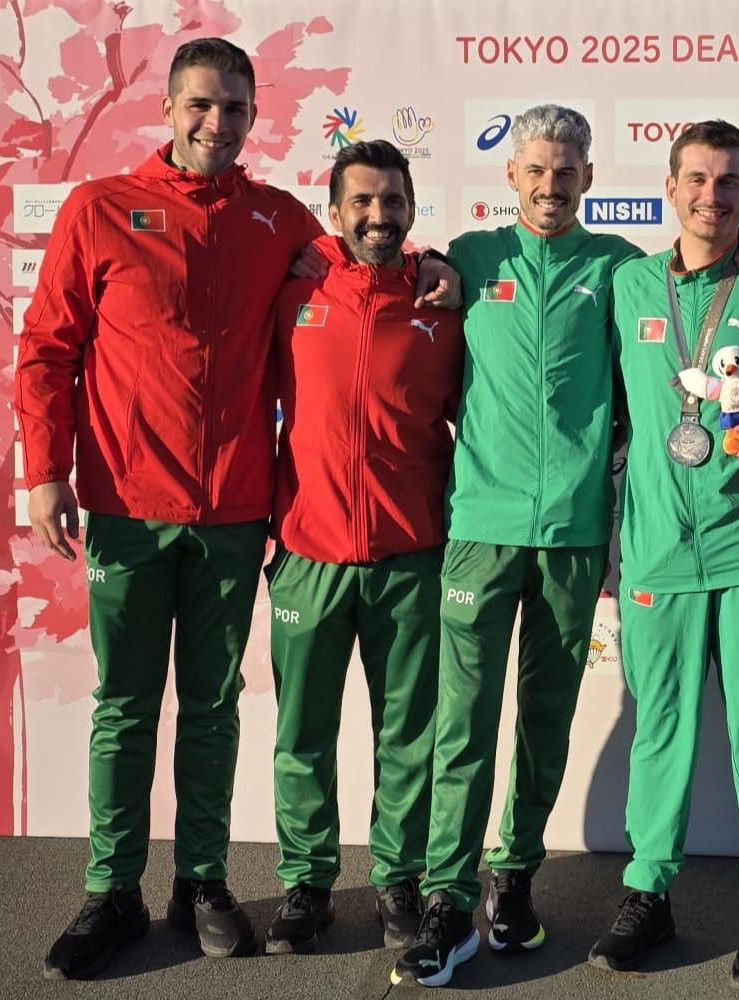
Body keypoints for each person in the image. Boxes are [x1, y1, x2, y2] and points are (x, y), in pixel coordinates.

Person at [16, 38, 454, 980]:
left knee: (213, 707)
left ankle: (201, 882)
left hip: (236, 514)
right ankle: (113, 890)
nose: (218, 123)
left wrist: (438, 265)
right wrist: (46, 470)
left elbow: (364, 254)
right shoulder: (99, 210)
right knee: (126, 708)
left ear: (256, 117)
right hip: (127, 507)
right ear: (169, 110)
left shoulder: (279, 220)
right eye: (201, 106)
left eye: (236, 109)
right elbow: (48, 346)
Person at [385, 105, 739, 989]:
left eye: (567, 172)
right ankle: (447, 892)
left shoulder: (623, 272)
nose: (551, 186)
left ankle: (513, 875)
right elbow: (370, 273)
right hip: (479, 530)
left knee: (547, 716)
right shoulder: (468, 261)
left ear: (589, 178)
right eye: (536, 171)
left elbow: (691, 306)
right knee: (465, 722)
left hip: (576, 534)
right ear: (510, 177)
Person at [587, 120, 739, 991]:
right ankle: (648, 890)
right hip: (653, 545)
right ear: (669, 186)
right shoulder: (624, 282)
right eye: (696, 179)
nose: (710, 196)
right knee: (662, 731)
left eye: (727, 182)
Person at [262, 139, 462, 956]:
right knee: (302, 730)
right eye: (363, 202)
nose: (379, 216)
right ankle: (307, 884)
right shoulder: (291, 290)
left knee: (407, 731)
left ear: (412, 209)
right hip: (307, 550)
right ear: (335, 208)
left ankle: (397, 879)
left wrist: (442, 266)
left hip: (411, 553)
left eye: (393, 202)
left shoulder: (446, 302)